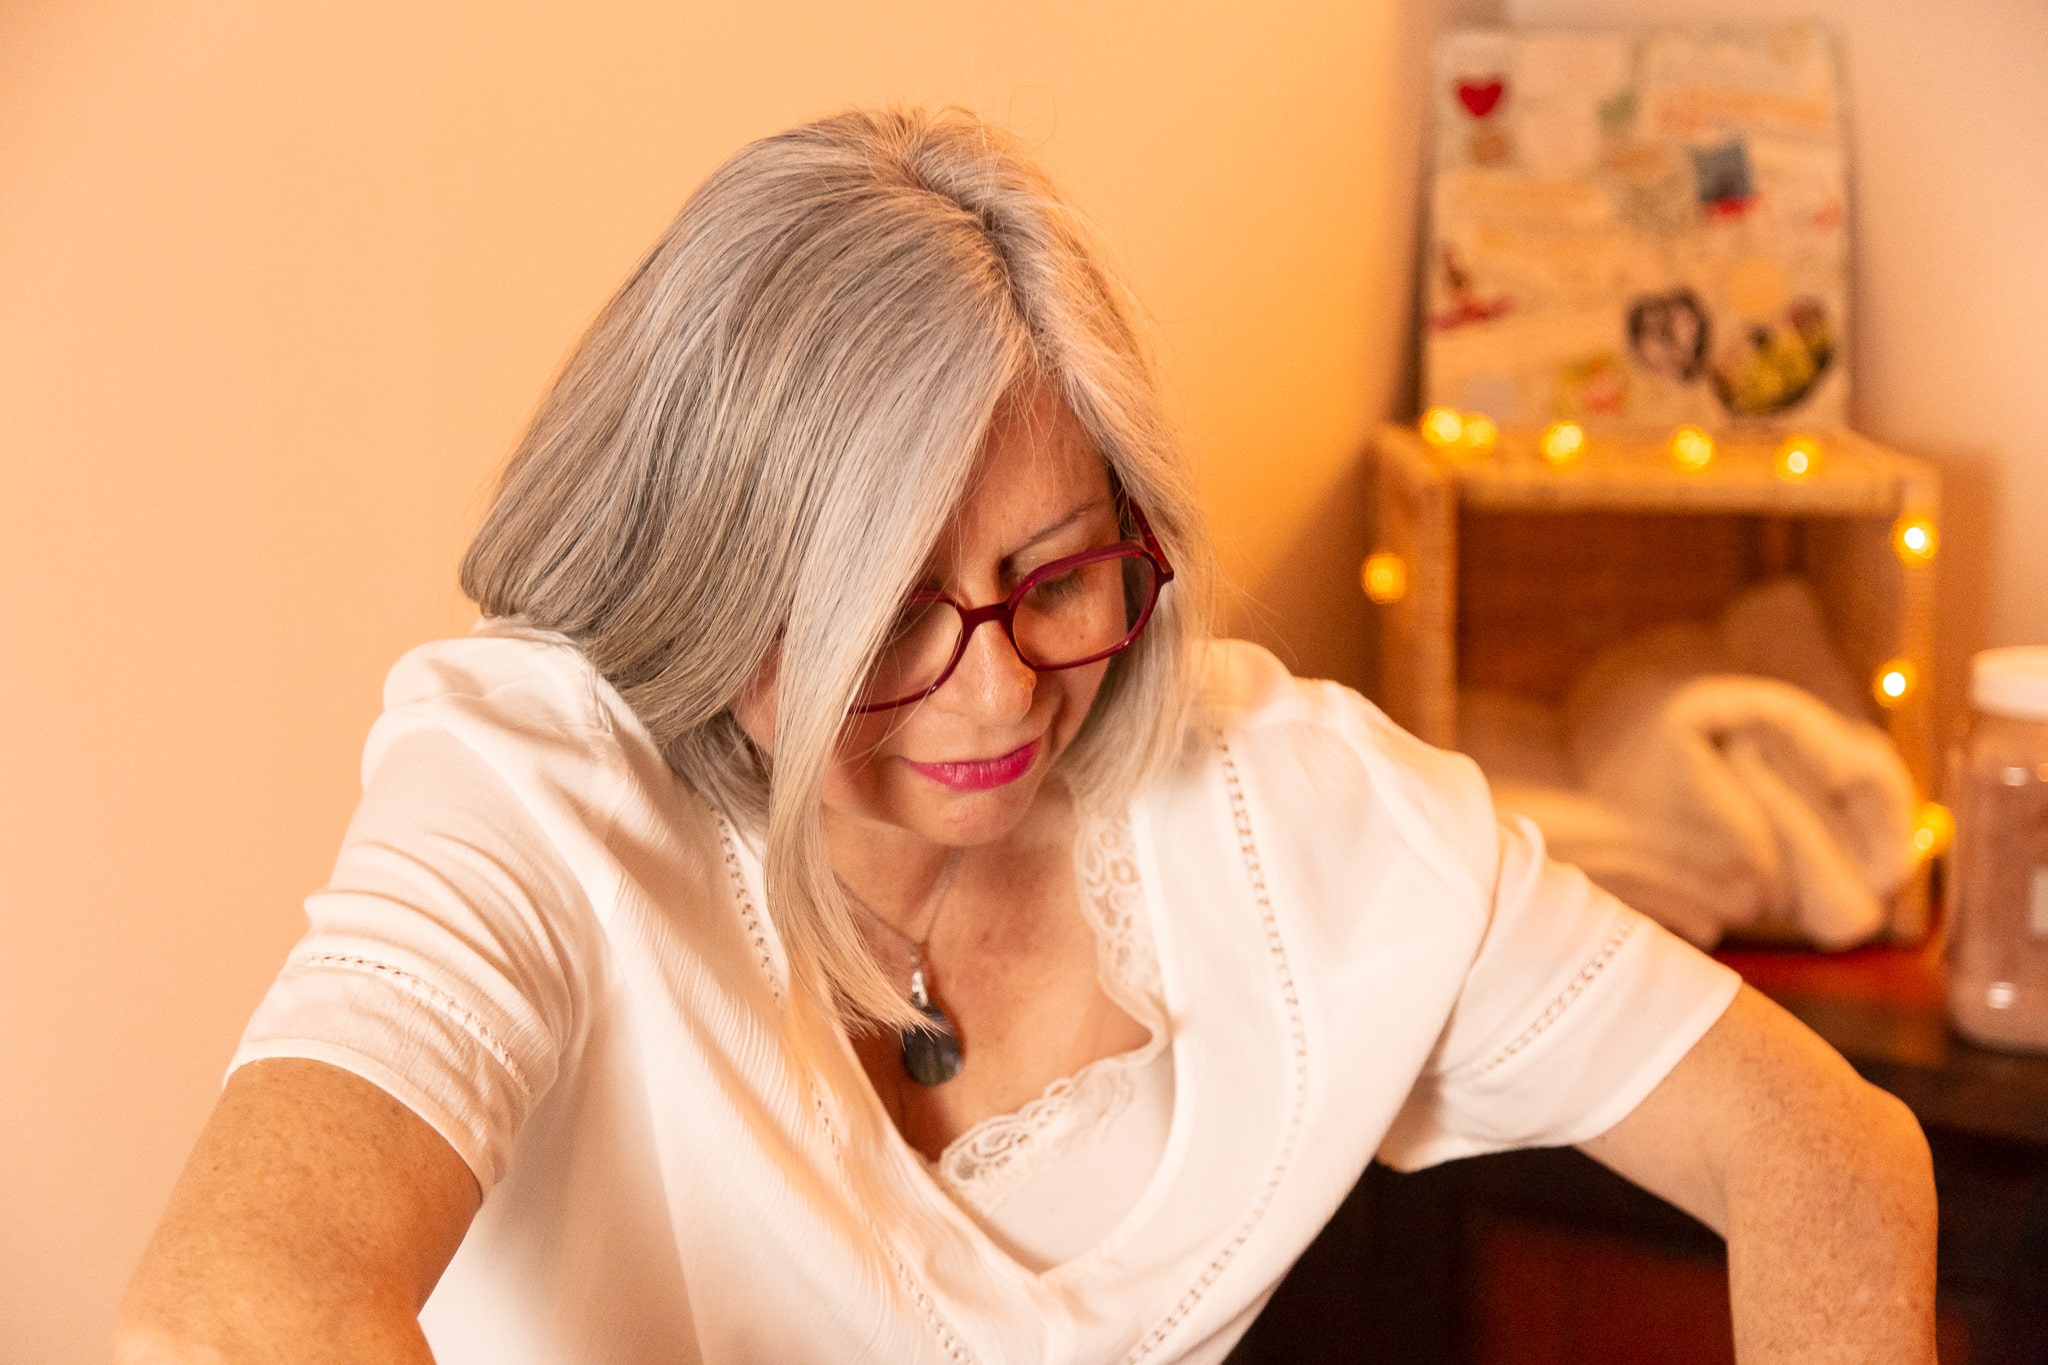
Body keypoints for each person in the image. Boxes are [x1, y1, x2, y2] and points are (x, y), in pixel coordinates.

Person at [117, 107, 1936, 1365]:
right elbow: (229, 1312)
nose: (1000, 697)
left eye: (1061, 576)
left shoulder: (1279, 809)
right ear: (709, 576)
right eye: (891, 614)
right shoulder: (533, 791)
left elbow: (1828, 1154)